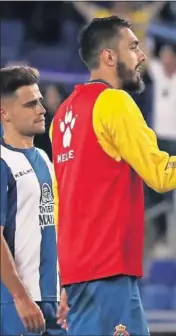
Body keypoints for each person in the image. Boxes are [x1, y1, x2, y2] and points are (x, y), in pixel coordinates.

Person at [50, 16, 176, 335]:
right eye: (134, 47)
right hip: (107, 269)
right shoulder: (113, 102)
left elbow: (62, 202)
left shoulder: (62, 115)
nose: (142, 56)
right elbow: (161, 173)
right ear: (109, 57)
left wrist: (63, 277)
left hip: (79, 274)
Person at [0, 66, 67, 334]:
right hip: (16, 304)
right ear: (3, 113)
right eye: (30, 104)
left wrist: (65, 288)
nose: (41, 109)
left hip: (52, 301)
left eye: (39, 101)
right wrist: (20, 297)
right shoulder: (2, 162)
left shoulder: (45, 159)